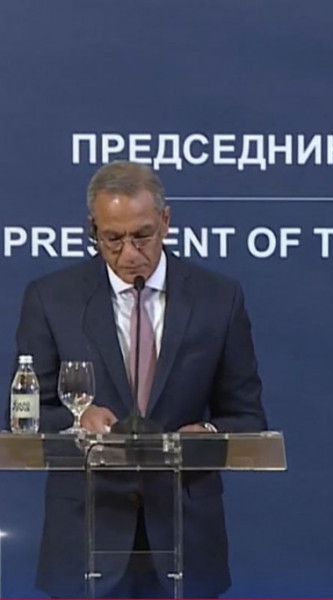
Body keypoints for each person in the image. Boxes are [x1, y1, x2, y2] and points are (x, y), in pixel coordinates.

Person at [14, 161, 267, 598]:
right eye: (113, 239)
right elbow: (25, 412)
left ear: (165, 222)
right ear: (93, 230)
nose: (130, 253)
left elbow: (247, 417)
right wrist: (78, 420)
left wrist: (207, 434)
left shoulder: (218, 299)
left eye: (142, 236)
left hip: (185, 533)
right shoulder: (52, 298)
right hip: (86, 532)